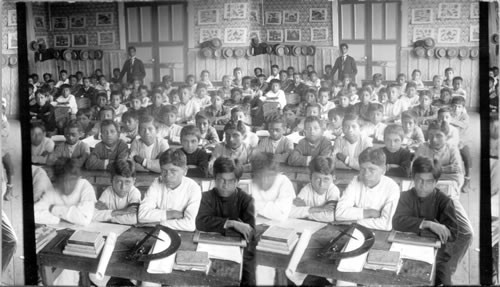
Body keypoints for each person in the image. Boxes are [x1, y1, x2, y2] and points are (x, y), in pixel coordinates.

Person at [392, 157, 458, 285]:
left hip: (437, 257)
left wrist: (415, 228)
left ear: (436, 182)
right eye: (419, 180)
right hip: (406, 250)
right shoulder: (404, 197)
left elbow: (452, 234)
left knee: (444, 283)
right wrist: (428, 224)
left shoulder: (444, 202)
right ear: (413, 178)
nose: (423, 186)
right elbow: (397, 221)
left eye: (429, 182)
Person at [196, 157, 256, 285]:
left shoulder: (246, 200)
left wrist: (215, 224)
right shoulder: (205, 197)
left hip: (237, 253)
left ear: (238, 181)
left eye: (231, 181)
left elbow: (250, 231)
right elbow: (200, 221)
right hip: (208, 249)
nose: (225, 185)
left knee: (246, 279)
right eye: (221, 180)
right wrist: (232, 223)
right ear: (214, 179)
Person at [335, 147, 400, 230]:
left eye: (371, 169)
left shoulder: (392, 188)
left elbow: (386, 224)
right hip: (353, 230)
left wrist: (352, 221)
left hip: (379, 234)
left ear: (383, 170)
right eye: (362, 169)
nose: (365, 174)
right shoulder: (356, 181)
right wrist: (369, 213)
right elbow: (339, 213)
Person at [138, 149, 202, 231]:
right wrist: (172, 214)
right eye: (164, 171)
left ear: (185, 171)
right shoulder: (157, 182)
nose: (167, 176)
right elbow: (142, 215)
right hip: (156, 232)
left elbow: (189, 225)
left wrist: (156, 223)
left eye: (173, 171)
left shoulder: (193, 188)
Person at [289, 156, 339, 222]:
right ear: (310, 177)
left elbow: (330, 216)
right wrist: (318, 209)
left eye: (326, 180)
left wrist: (306, 211)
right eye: (317, 179)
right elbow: (290, 212)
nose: (321, 184)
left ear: (333, 178)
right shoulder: (307, 189)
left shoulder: (333, 190)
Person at [93, 160, 141, 225]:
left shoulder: (135, 193)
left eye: (127, 182)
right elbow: (93, 215)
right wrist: (122, 211)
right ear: (111, 180)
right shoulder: (108, 192)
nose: (123, 187)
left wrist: (109, 213)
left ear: (134, 181)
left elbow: (133, 219)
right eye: (119, 181)